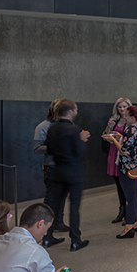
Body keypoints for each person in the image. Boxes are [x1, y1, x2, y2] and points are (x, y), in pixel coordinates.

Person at [45, 99, 90, 252]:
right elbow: (79, 152)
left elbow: (50, 151)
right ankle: (75, 240)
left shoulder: (52, 129)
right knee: (74, 207)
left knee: (54, 206)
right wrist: (82, 139)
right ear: (70, 111)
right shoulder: (74, 130)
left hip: (58, 172)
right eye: (76, 110)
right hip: (74, 172)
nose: (76, 112)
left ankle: (46, 237)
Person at [105, 105, 137, 239]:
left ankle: (129, 226)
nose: (124, 117)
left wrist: (113, 140)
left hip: (128, 167)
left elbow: (125, 151)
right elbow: (136, 144)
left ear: (132, 117)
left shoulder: (130, 129)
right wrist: (120, 138)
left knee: (130, 198)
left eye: (127, 115)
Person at [33, 98, 68, 233]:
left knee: (62, 197)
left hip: (65, 166)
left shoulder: (66, 126)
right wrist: (56, 146)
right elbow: (37, 149)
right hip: (52, 167)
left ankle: (58, 223)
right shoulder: (42, 127)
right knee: (51, 199)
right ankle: (46, 230)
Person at [103, 97, 131, 225]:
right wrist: (108, 129)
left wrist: (120, 138)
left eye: (124, 106)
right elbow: (105, 135)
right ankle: (122, 210)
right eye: (120, 107)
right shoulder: (114, 120)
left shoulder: (131, 120)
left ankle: (131, 211)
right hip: (114, 152)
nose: (122, 109)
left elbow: (131, 138)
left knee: (126, 184)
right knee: (118, 183)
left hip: (124, 153)